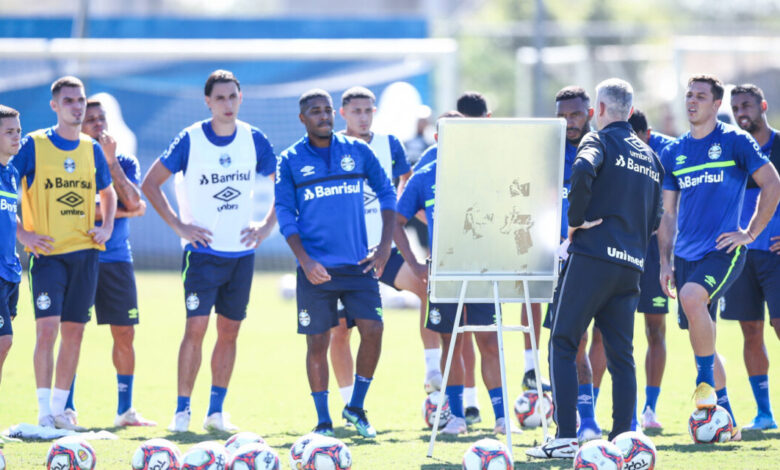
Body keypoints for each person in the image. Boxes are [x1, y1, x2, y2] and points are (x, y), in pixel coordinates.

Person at [528, 78, 663, 459]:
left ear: (599, 110)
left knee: (563, 339)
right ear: (629, 110)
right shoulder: (650, 156)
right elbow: (657, 215)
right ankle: (625, 439)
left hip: (592, 259)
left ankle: (566, 435)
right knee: (622, 354)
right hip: (632, 267)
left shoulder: (597, 140)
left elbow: (583, 171)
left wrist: (577, 219)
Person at [141, 70, 277, 433]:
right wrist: (179, 226)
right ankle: (182, 412)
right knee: (196, 329)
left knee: (229, 332)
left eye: (233, 96)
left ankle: (216, 412)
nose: (227, 104)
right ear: (207, 102)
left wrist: (265, 226)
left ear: (241, 98)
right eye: (220, 98)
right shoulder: (190, 139)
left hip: (241, 255)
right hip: (202, 254)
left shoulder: (254, 139)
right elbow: (150, 183)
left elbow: (286, 186)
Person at [657, 75, 780, 441]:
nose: (692, 102)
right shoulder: (673, 152)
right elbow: (667, 214)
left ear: (715, 104)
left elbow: (772, 183)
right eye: (688, 96)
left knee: (694, 300)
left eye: (700, 97)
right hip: (685, 256)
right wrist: (665, 262)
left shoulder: (734, 141)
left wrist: (751, 233)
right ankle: (723, 411)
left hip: (724, 250)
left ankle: (704, 384)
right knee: (702, 338)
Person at [274, 89, 396, 438]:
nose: (324, 116)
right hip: (316, 270)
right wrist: (305, 260)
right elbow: (285, 213)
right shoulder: (290, 159)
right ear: (303, 119)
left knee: (373, 329)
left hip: (359, 265)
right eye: (315, 111)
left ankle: (356, 407)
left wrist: (385, 247)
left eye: (327, 110)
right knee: (317, 343)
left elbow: (387, 193)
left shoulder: (357, 150)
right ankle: (323, 422)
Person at [394, 111, 519, 436]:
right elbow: (395, 220)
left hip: (482, 270)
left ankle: (504, 418)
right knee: (451, 344)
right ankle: (457, 417)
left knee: (489, 343)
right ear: (438, 138)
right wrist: (416, 263)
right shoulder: (424, 177)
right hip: (445, 272)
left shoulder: (490, 174)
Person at [13, 76, 117, 430]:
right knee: (47, 330)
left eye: (81, 100)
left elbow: (109, 192)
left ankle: (60, 411)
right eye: (69, 101)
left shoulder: (91, 148)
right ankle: (43, 411)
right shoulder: (34, 145)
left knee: (75, 332)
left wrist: (106, 227)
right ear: (55, 106)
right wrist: (23, 233)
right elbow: (4, 188)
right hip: (48, 255)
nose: (78, 107)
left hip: (85, 254)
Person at [329, 86, 441, 409]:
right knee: (340, 332)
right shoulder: (331, 147)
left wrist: (398, 208)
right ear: (343, 114)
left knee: (426, 286)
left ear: (374, 112)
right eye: (356, 111)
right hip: (345, 255)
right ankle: (351, 404)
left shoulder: (388, 144)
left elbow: (407, 178)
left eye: (368, 111)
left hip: (384, 249)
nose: (363, 117)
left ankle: (432, 370)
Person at [79, 98, 154, 427]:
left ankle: (125, 411)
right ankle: (63, 408)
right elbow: (80, 212)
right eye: (89, 119)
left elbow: (137, 200)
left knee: (124, 333)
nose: (97, 124)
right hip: (77, 257)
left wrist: (111, 165)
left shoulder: (123, 160)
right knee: (71, 332)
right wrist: (126, 211)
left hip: (117, 259)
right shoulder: (68, 162)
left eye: (101, 118)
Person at [720, 84, 780, 431]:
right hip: (741, 255)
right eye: (736, 107)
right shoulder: (733, 149)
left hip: (774, 252)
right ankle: (765, 414)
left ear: (763, 106)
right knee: (751, 331)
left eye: (747, 106)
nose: (742, 113)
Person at [546, 86, 604, 441]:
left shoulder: (603, 149)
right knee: (570, 340)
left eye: (575, 115)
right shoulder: (546, 154)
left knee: (610, 339)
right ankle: (581, 419)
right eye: (562, 116)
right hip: (560, 261)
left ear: (591, 114)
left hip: (600, 258)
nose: (569, 122)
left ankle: (610, 417)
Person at [627, 109, 675, 430]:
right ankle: (617, 413)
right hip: (619, 249)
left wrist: (668, 255)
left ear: (648, 134)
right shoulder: (607, 148)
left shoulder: (668, 152)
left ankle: (650, 409)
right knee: (611, 333)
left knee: (654, 330)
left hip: (655, 253)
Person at [0, 105, 21, 390]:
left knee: (3, 347)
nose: (17, 137)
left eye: (18, 130)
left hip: (10, 271)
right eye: (9, 132)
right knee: (4, 341)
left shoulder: (12, 172)